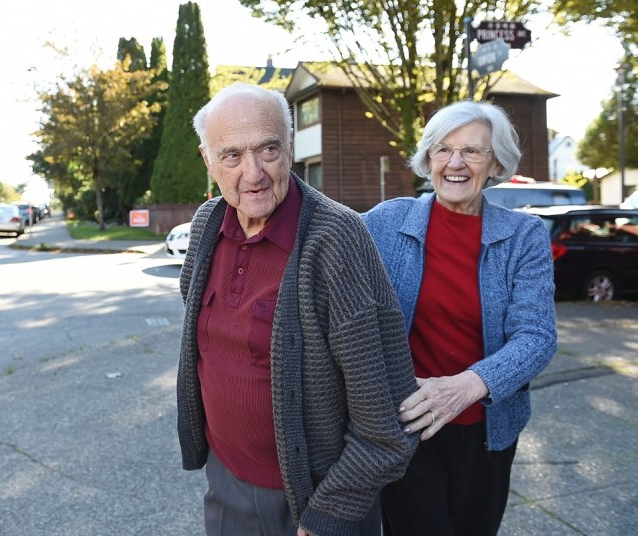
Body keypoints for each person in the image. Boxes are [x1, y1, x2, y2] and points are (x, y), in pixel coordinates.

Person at [176, 82, 419, 536]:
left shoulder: (337, 239)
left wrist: (328, 516)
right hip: (225, 478)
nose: (253, 174)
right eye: (231, 156)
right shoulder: (208, 222)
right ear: (207, 160)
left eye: (268, 150)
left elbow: (385, 422)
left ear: (289, 148)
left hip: (314, 500)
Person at [361, 100, 558, 535]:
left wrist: (465, 387)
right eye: (443, 149)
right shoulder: (384, 223)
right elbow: (322, 257)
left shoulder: (523, 237)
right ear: (428, 158)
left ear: (496, 163)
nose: (455, 163)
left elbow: (537, 336)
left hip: (486, 430)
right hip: (405, 423)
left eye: (472, 151)